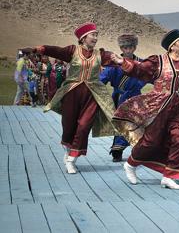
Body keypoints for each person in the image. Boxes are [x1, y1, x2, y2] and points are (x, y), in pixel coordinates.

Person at [112, 29, 179, 190]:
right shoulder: (158, 61)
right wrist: (124, 63)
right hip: (159, 107)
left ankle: (169, 176)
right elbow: (140, 69)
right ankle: (131, 164)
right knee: (150, 141)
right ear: (172, 46)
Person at [19, 23, 118, 174]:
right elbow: (56, 50)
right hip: (72, 93)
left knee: (84, 126)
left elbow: (117, 60)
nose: (96, 38)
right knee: (69, 126)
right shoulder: (73, 51)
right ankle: (68, 150)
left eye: (97, 35)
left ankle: (72, 159)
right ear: (83, 38)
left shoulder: (100, 54)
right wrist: (39, 49)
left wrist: (123, 60)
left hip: (92, 95)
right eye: (93, 35)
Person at [99, 34, 148, 162]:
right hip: (120, 98)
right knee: (121, 124)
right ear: (121, 48)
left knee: (137, 124)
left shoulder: (141, 63)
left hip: (136, 98)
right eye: (125, 47)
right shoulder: (114, 64)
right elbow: (101, 79)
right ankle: (117, 149)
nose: (128, 50)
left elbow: (151, 76)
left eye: (131, 47)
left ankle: (136, 149)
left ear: (135, 47)